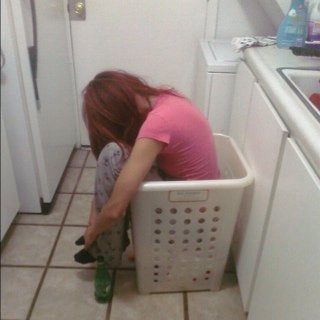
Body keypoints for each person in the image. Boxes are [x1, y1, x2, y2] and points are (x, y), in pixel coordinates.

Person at [74, 70, 220, 267]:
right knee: (120, 165)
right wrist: (94, 219)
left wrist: (92, 232)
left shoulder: (157, 124)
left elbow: (115, 209)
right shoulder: (165, 94)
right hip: (206, 199)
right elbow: (107, 185)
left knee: (113, 156)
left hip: (191, 211)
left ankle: (105, 249)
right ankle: (118, 242)